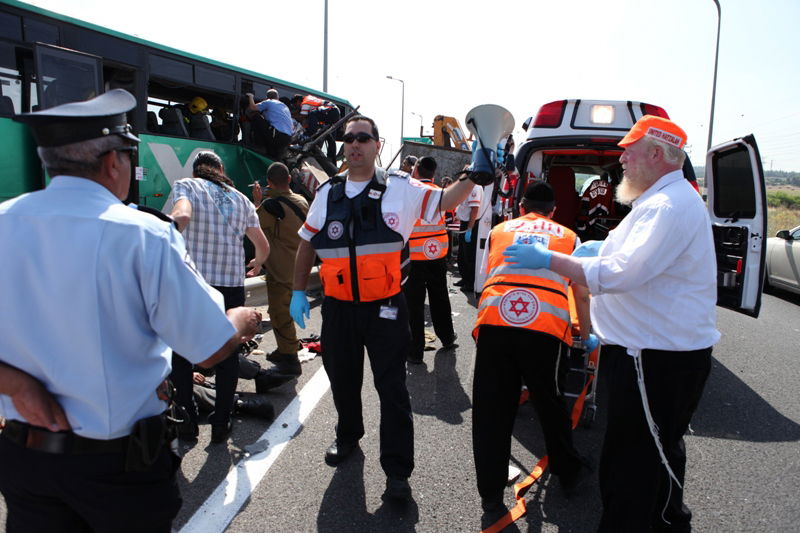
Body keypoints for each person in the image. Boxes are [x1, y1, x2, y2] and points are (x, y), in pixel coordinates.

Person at [0, 89, 262, 533]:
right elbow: (212, 348)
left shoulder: (5, 220)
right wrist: (240, 320)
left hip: (25, 460)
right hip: (118, 464)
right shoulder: (144, 236)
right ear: (111, 162)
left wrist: (14, 384)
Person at [503, 115, 719, 532]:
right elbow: (632, 257)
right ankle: (668, 518)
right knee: (658, 451)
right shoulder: (660, 201)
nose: (621, 159)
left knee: (631, 459)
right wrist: (598, 249)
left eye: (629, 150)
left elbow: (622, 274)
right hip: (654, 353)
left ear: (656, 154)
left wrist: (551, 260)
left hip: (653, 359)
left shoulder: (669, 206)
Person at [289, 115, 477, 501]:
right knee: (342, 380)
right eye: (349, 139)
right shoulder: (328, 192)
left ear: (377, 144)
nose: (354, 144)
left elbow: (443, 202)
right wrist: (295, 291)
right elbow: (307, 241)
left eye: (363, 138)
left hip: (386, 308)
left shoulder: (402, 188)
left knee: (391, 388)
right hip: (339, 309)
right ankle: (348, 435)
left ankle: (397, 473)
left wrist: (475, 175)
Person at [471, 181, 596, 523]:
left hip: (496, 322)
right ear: (554, 211)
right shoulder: (569, 237)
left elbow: (484, 279)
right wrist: (587, 336)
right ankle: (569, 476)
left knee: (491, 409)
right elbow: (581, 294)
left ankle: (491, 495)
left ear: (521, 206)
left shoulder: (499, 230)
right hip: (544, 330)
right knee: (550, 403)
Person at [163, 151, 271, 443]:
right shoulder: (242, 199)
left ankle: (186, 422)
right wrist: (258, 263)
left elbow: (181, 215)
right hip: (230, 287)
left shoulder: (187, 185)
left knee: (182, 354)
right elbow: (261, 245)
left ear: (197, 171)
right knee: (227, 353)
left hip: (193, 284)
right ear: (221, 170)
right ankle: (221, 421)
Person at [252, 162, 309, 379]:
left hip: (281, 270)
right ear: (289, 179)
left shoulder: (270, 206)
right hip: (298, 267)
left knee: (280, 314)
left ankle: (290, 360)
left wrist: (257, 201)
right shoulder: (301, 200)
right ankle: (286, 349)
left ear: (268, 182)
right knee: (285, 313)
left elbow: (251, 225)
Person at [404, 156, 457, 363]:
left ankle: (414, 351)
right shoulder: (442, 194)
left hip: (414, 256)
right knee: (440, 296)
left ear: (415, 170)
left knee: (414, 305)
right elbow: (451, 221)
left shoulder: (409, 194)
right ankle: (447, 337)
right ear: (433, 173)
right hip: (437, 254)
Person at [247, 89, 293, 161]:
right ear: (278, 97)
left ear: (267, 97)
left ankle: (259, 145)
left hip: (277, 135)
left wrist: (250, 96)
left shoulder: (269, 102)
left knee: (256, 116)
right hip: (287, 138)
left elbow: (252, 107)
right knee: (272, 157)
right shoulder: (284, 106)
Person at [455, 177, 483, 290]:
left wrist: (470, 229)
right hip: (465, 223)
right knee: (462, 254)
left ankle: (470, 283)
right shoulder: (468, 186)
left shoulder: (475, 187)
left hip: (470, 223)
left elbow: (474, 209)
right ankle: (465, 278)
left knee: (469, 255)